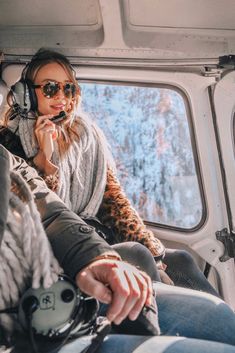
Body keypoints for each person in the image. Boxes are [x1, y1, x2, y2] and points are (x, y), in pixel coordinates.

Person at [0, 48, 218, 296]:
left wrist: (155, 251)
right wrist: (43, 158)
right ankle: (160, 327)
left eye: (67, 88)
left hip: (94, 231)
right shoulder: (9, 141)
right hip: (57, 248)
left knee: (180, 259)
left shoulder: (85, 134)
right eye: (50, 88)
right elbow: (35, 214)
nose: (61, 96)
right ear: (26, 94)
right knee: (137, 256)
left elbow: (113, 201)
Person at [2, 144, 235, 353]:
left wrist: (93, 256)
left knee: (219, 317)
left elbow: (46, 208)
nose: (62, 99)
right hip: (16, 330)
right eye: (51, 91)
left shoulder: (7, 157)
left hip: (54, 285)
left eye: (70, 92)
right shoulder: (18, 138)